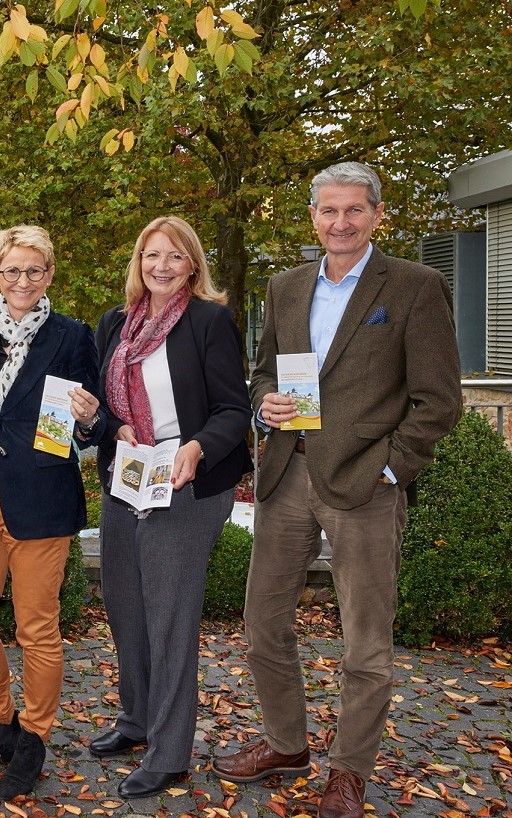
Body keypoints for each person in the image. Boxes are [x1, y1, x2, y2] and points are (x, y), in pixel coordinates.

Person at [211, 162, 461, 818]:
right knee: (263, 624)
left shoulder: (414, 286)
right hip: (289, 475)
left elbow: (439, 399)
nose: (340, 223)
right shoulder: (286, 286)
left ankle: (348, 772)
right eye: (329, 211)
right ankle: (287, 745)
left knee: (365, 642)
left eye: (354, 211)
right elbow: (264, 373)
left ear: (378, 214)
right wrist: (264, 403)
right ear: (313, 218)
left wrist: (391, 468)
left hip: (367, 486)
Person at [89, 217, 252, 798]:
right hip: (127, 480)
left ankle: (171, 751)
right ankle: (136, 722)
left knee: (170, 617)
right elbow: (102, 413)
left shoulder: (208, 321)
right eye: (152, 255)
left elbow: (235, 410)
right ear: (139, 261)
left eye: (174, 257)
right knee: (126, 606)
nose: (161, 266)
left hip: (188, 484)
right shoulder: (115, 323)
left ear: (192, 265)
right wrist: (115, 426)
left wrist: (197, 447)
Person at [0, 225, 101, 801]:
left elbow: (93, 423)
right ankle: (0, 721)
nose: (23, 281)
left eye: (34, 271)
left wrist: (88, 419)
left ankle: (33, 737)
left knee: (37, 629)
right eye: (12, 270)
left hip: (43, 500)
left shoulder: (73, 336)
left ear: (50, 274)